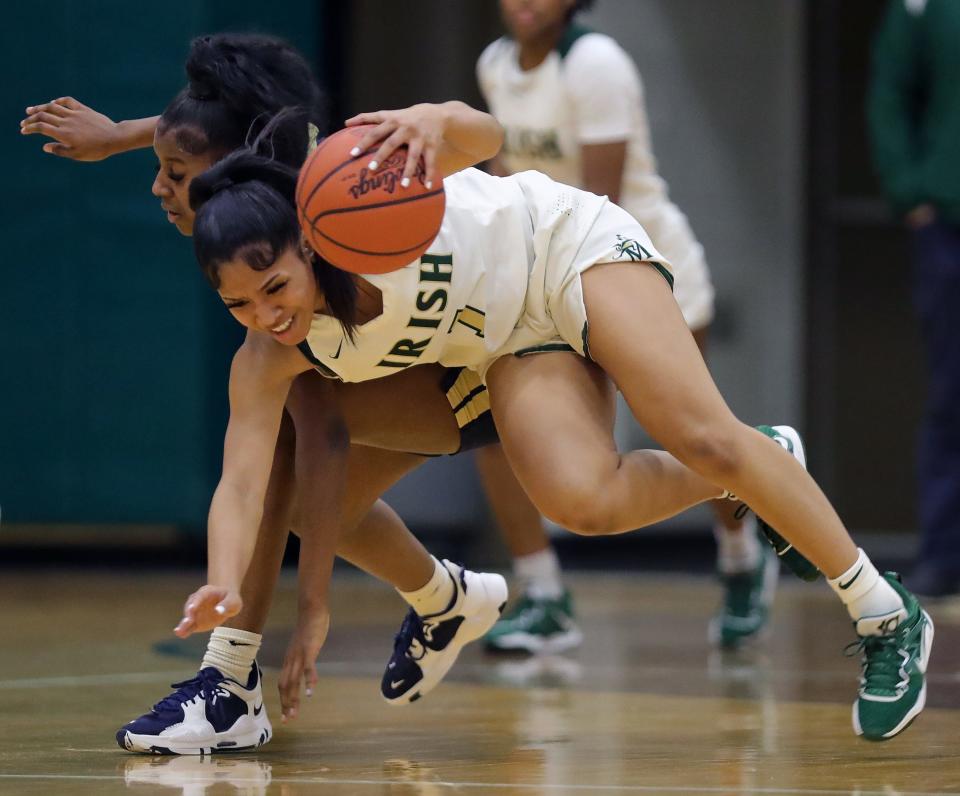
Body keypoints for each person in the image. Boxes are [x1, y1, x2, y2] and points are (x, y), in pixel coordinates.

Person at [178, 124, 932, 741]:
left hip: (565, 247)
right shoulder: (269, 355)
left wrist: (435, 121)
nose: (267, 314)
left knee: (699, 432)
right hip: (506, 342)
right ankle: (761, 463)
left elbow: (484, 136)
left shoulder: (359, 202)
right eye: (240, 305)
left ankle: (886, 614)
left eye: (274, 286)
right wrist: (220, 579)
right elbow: (242, 483)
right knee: (583, 504)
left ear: (307, 247)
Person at [19, 34, 510, 755]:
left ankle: (229, 684)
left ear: (235, 173)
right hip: (437, 367)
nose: (161, 186)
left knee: (288, 454)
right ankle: (448, 600)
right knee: (324, 515)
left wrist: (312, 610)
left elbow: (323, 439)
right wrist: (123, 136)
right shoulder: (270, 177)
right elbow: (211, 125)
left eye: (175, 172)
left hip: (486, 362)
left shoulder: (316, 225)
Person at [473, 0, 789, 653]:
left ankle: (740, 552)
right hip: (547, 281)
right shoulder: (494, 65)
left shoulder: (596, 64)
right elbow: (505, 188)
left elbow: (600, 204)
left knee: (699, 438)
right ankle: (543, 594)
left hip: (632, 267)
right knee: (489, 427)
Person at [867, 0, 960, 598]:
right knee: (953, 394)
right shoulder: (923, 8)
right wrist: (911, 192)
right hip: (948, 228)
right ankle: (945, 554)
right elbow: (889, 95)